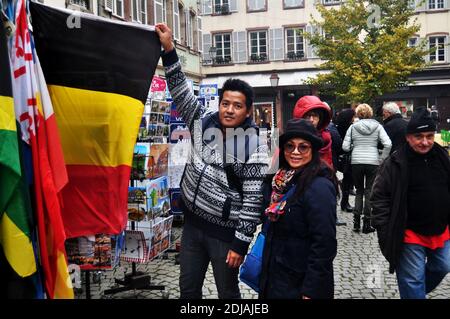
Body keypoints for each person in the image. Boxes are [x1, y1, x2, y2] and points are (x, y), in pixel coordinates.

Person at [155, 23, 269, 299]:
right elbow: (181, 91)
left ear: (248, 110)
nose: (230, 110)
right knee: (188, 289)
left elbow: (254, 202)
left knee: (227, 293)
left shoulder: (255, 144)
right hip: (193, 226)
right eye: (226, 103)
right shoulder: (203, 122)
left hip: (224, 234)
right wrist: (169, 49)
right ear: (219, 104)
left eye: (237, 105)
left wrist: (240, 245)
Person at [370, 107, 450, 299]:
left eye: (430, 136)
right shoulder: (395, 162)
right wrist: (384, 228)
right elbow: (379, 197)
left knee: (443, 266)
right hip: (408, 232)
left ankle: (414, 292)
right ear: (408, 137)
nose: (425, 142)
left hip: (440, 228)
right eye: (419, 136)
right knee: (412, 280)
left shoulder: (442, 156)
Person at [259, 119, 338, 299]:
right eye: (289, 146)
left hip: (300, 282)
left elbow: (324, 243)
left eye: (303, 147)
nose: (295, 152)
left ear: (313, 150)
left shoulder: (319, 186)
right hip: (278, 276)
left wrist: (312, 289)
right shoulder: (280, 181)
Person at [342, 103, 391, 233]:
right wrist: (382, 159)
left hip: (357, 161)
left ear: (358, 113)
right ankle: (367, 224)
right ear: (370, 113)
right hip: (373, 161)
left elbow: (345, 147)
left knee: (359, 191)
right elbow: (388, 144)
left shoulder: (353, 127)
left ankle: (356, 223)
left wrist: (354, 147)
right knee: (369, 191)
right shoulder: (378, 126)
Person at [293, 95, 333, 168]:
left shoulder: (325, 139)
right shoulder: (290, 139)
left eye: (315, 116)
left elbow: (329, 165)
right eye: (308, 116)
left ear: (320, 119)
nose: (311, 120)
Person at [334, 108, 356, 212]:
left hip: (343, 157)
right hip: (345, 157)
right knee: (347, 180)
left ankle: (345, 202)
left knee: (347, 181)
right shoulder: (348, 127)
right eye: (352, 116)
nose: (354, 118)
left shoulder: (338, 126)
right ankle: (344, 203)